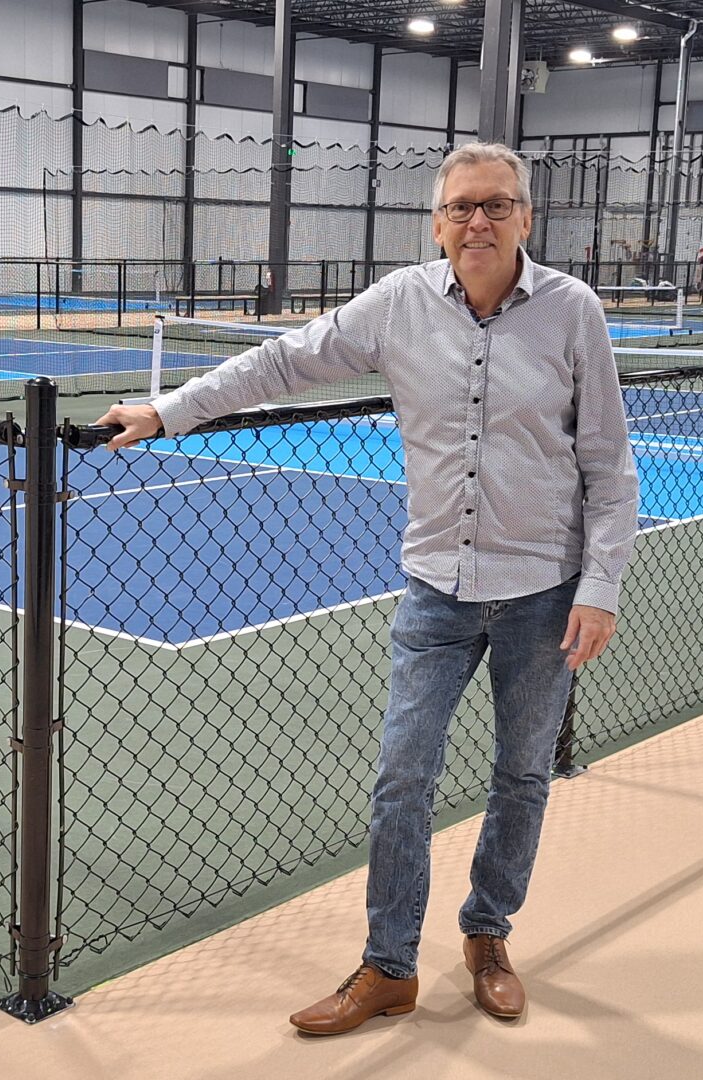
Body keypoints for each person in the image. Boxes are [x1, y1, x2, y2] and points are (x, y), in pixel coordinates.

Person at [94, 143, 640, 1035]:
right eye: (461, 207)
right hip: (436, 589)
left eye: (497, 205)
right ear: (437, 224)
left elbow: (609, 466)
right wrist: (169, 410)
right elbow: (280, 363)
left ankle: (488, 934)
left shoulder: (572, 311)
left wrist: (602, 585)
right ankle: (390, 967)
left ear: (526, 218)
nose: (478, 221)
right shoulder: (397, 305)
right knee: (402, 778)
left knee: (521, 775)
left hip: (546, 589)